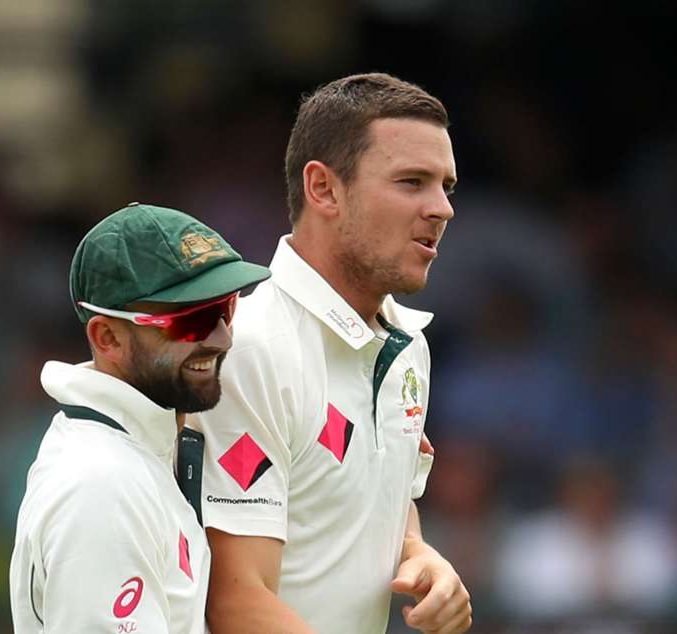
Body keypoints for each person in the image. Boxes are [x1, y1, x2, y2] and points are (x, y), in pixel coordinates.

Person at [188, 73, 473, 633]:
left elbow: (371, 501)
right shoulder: (250, 349)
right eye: (412, 181)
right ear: (323, 189)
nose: (442, 209)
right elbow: (235, 601)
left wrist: (419, 555)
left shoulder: (407, 343)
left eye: (447, 187)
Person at [9, 203, 271, 633]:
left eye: (225, 308)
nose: (222, 338)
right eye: (194, 320)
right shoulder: (102, 484)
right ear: (107, 337)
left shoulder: (137, 454)